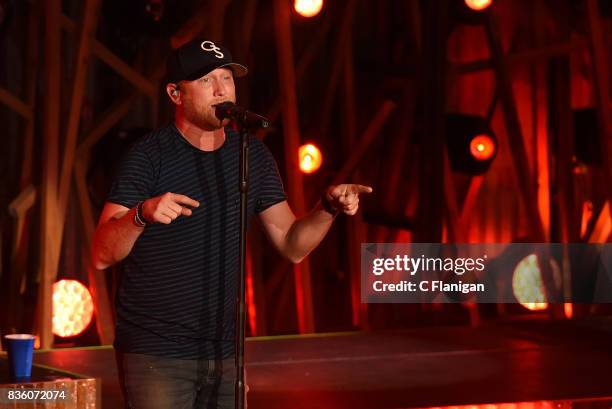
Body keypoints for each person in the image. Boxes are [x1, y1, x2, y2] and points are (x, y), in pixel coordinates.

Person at [91, 38, 372, 409]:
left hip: (225, 354)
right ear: (176, 93)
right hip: (156, 354)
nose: (222, 89)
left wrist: (327, 208)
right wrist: (141, 214)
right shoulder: (148, 157)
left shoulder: (250, 155)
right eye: (207, 80)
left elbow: (292, 244)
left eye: (227, 77)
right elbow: (101, 254)